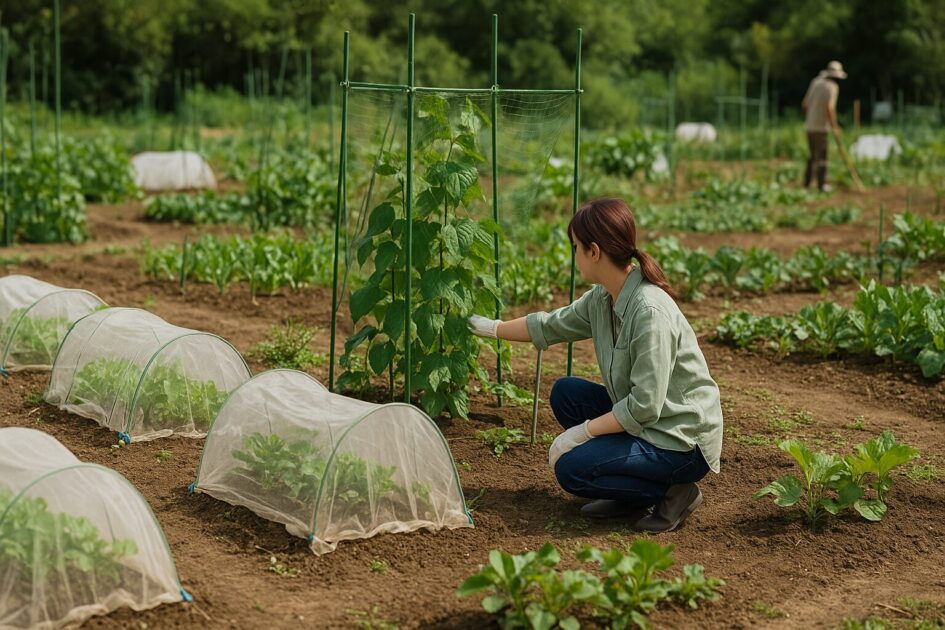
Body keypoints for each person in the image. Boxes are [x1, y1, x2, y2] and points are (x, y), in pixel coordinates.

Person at [468, 198, 723, 532]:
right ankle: (629, 491)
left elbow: (645, 406)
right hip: (649, 420)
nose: (573, 256)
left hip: (679, 439)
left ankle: (675, 492)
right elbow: (550, 325)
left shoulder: (649, 312)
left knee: (572, 470)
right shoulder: (603, 298)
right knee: (567, 394)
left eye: (575, 247)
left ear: (594, 251)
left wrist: (583, 432)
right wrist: (489, 328)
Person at [802, 60, 847, 192]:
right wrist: (834, 127)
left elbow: (805, 104)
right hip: (821, 128)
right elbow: (830, 108)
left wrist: (811, 117)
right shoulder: (832, 87)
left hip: (810, 126)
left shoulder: (815, 82)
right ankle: (822, 185)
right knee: (822, 156)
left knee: (812, 155)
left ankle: (807, 182)